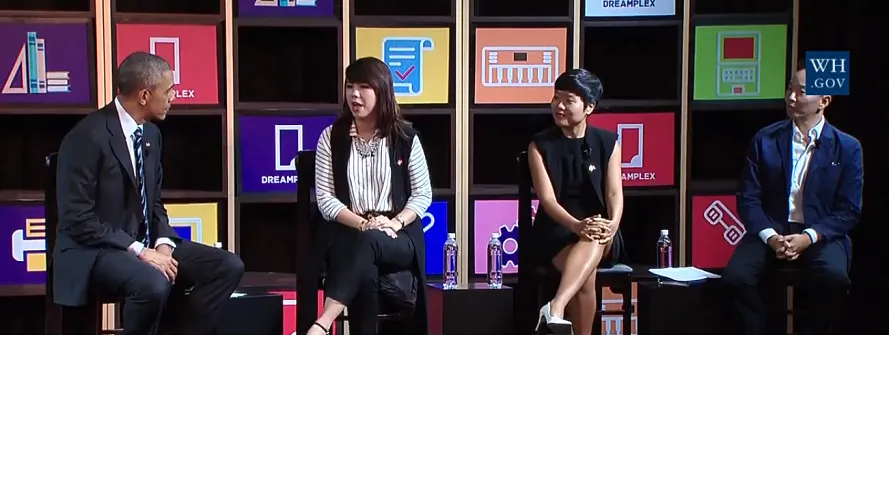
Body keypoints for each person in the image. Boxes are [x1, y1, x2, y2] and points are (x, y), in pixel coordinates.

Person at [53, 52, 245, 336]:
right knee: (153, 283)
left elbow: (153, 202)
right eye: (168, 91)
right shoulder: (87, 137)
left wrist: (163, 243)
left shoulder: (151, 135)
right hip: (94, 249)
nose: (173, 97)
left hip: (142, 242)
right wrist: (141, 251)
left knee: (227, 266)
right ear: (144, 95)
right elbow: (77, 219)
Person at [722, 60, 862, 336]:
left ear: (824, 101)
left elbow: (848, 210)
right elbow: (748, 198)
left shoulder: (848, 147)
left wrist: (808, 237)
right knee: (735, 279)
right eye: (789, 89)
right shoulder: (764, 139)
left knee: (834, 280)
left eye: (801, 91)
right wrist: (772, 237)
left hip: (821, 234)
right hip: (771, 230)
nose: (791, 97)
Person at [304, 56, 433, 336]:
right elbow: (326, 200)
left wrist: (394, 223)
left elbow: (423, 194)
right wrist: (364, 224)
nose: (354, 94)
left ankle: (321, 324)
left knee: (366, 245)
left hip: (396, 235)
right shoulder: (331, 138)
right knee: (365, 264)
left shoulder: (405, 138)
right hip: (349, 230)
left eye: (364, 87)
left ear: (382, 91)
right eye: (350, 86)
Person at [527, 69, 625, 335]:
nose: (559, 106)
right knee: (585, 277)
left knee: (595, 234)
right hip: (557, 229)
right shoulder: (540, 145)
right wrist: (576, 226)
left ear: (589, 106)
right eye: (556, 98)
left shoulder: (608, 142)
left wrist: (613, 224)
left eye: (568, 100)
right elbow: (547, 200)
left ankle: (556, 308)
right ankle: (560, 314)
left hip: (601, 229)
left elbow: (614, 194)